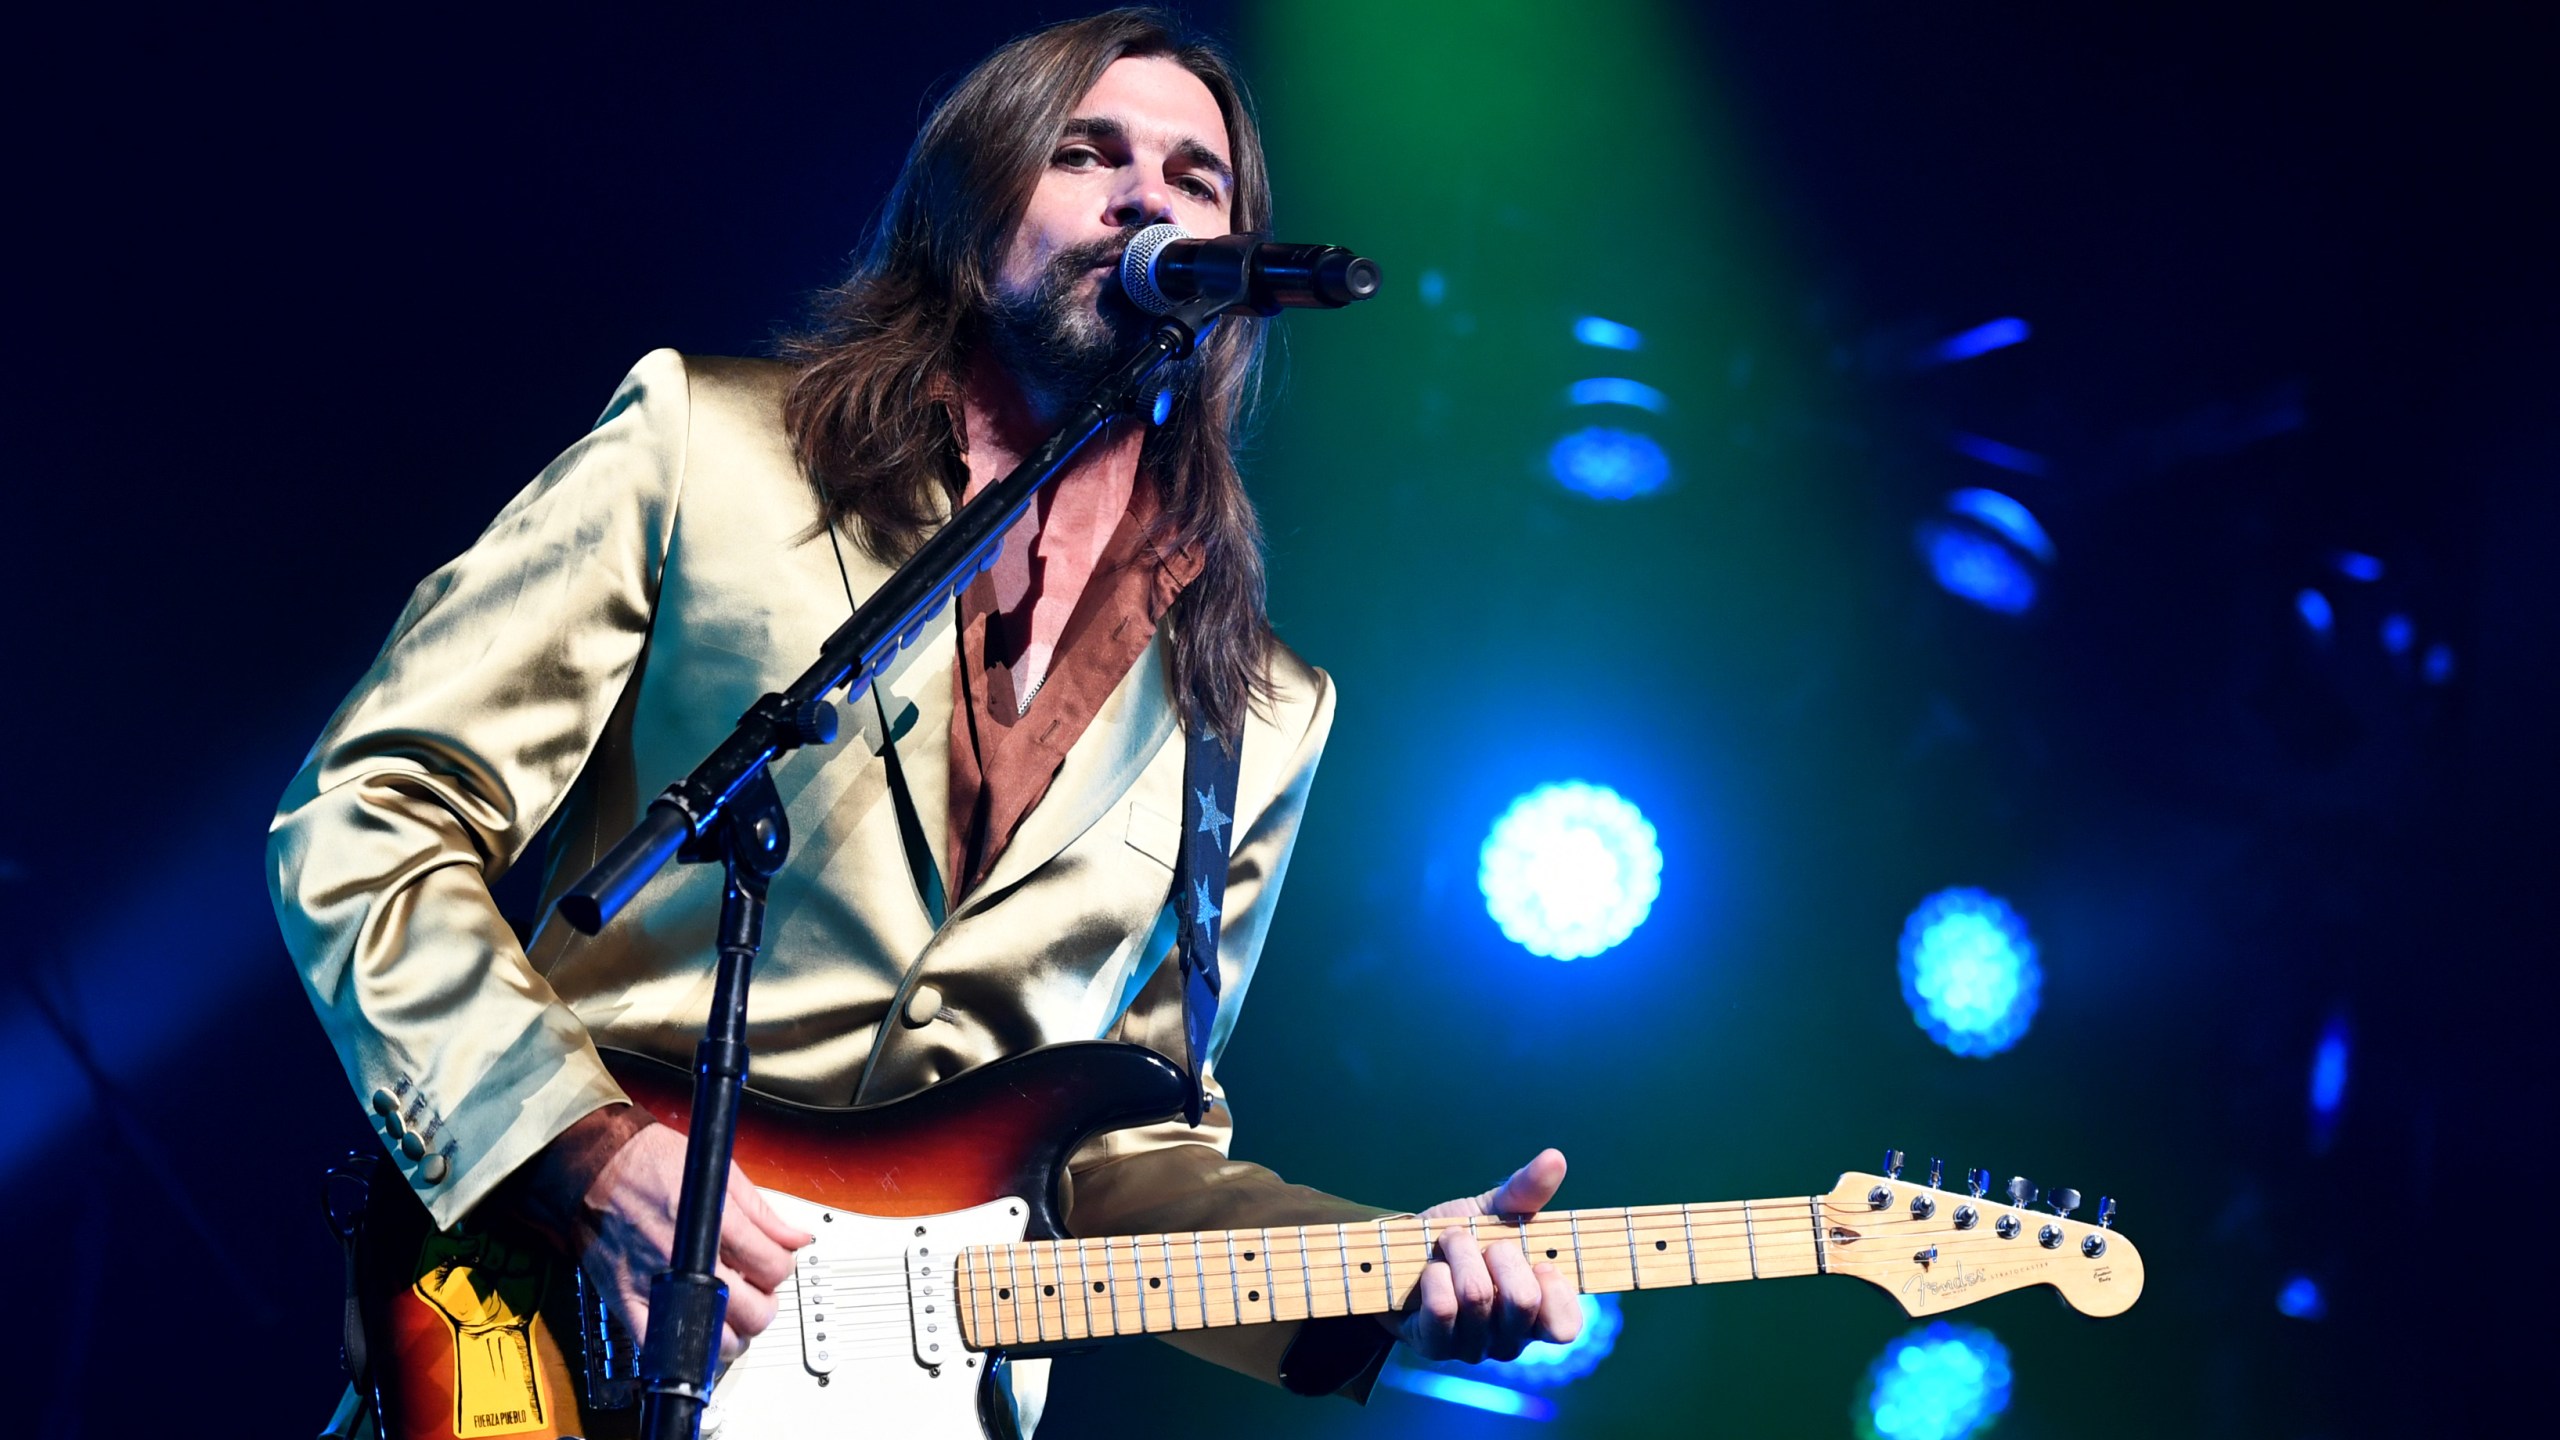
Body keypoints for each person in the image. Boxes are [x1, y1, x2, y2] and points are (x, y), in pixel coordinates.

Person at [268, 9, 1577, 1431]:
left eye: (1200, 181)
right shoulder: (706, 448)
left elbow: (1129, 1149)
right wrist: (579, 1152)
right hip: (548, 1331)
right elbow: (368, 818)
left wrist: (1379, 1272)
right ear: (972, 205)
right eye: (1091, 153)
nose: (1150, 197)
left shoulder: (1257, 707)